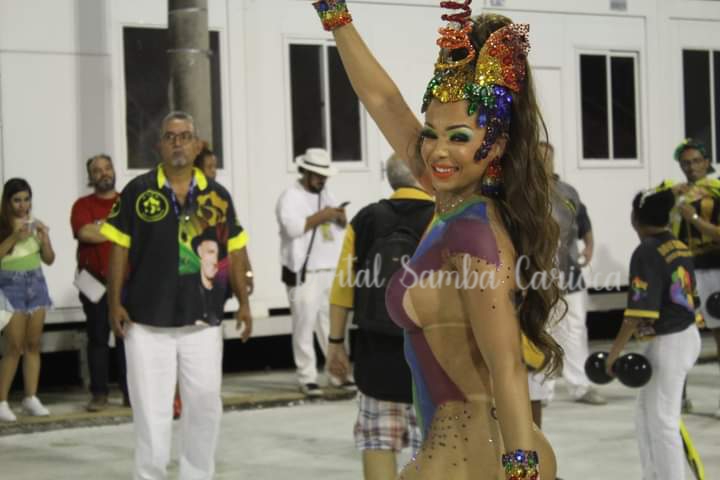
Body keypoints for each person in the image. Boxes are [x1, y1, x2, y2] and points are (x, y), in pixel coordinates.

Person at [312, 2, 561, 478]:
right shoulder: (450, 204)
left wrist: (521, 471)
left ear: (496, 146)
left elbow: (507, 365)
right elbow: (384, 101)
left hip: (484, 460)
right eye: (431, 133)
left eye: (459, 137)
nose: (438, 151)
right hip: (452, 452)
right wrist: (335, 14)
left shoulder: (473, 233)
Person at [101, 111, 252, 478]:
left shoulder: (217, 195)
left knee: (204, 408)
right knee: (151, 413)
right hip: (146, 323)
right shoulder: (137, 191)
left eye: (185, 136)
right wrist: (114, 302)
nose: (178, 143)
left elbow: (235, 250)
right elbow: (118, 248)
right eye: (170, 136)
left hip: (203, 320)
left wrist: (245, 303)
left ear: (197, 145)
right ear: (160, 146)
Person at [327, 154, 433, 480]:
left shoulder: (365, 219)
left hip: (375, 358)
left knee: (377, 441)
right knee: (434, 452)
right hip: (432, 364)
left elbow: (342, 288)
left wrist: (335, 343)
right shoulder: (443, 219)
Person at [606, 188, 701, 480]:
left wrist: (613, 354)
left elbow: (637, 312)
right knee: (645, 415)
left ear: (635, 218)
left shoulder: (646, 251)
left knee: (662, 420)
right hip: (684, 334)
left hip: (670, 341)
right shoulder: (677, 244)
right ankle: (653, 475)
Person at [528, 141, 604, 429]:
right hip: (538, 276)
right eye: (539, 157)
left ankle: (580, 384)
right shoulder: (524, 191)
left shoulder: (568, 192)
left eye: (548, 157)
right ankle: (542, 389)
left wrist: (590, 246)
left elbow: (583, 223)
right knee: (542, 331)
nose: (544, 161)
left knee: (575, 329)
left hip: (570, 273)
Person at [275, 147, 350, 396]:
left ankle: (338, 374)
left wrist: (339, 217)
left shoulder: (327, 193)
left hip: (330, 268)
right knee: (304, 325)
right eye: (318, 175)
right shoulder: (290, 197)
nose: (322, 180)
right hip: (304, 271)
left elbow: (340, 227)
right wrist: (324, 215)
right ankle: (307, 377)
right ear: (305, 172)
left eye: (324, 176)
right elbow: (293, 229)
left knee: (332, 327)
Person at [70, 154, 129, 412]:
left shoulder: (127, 202)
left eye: (107, 168)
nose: (104, 173)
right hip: (93, 281)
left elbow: (134, 234)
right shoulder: (82, 205)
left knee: (126, 339)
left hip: (125, 281)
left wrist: (102, 228)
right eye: (97, 170)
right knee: (97, 339)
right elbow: (85, 233)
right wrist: (117, 230)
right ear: (90, 177)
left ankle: (130, 394)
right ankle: (99, 394)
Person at [667, 138, 720, 418]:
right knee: (680, 334)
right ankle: (679, 396)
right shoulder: (676, 194)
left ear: (707, 162)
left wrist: (695, 219)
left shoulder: (717, 191)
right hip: (683, 271)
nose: (691, 167)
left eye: (696, 161)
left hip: (715, 269)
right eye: (685, 163)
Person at [0, 178, 55, 422]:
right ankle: (2, 401)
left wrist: (45, 239)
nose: (23, 205)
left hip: (36, 283)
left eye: (26, 199)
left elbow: (49, 259)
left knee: (33, 344)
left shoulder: (34, 223)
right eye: (17, 200)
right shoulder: (3, 225)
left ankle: (30, 397)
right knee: (14, 346)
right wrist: (14, 236)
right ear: (7, 202)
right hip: (10, 285)